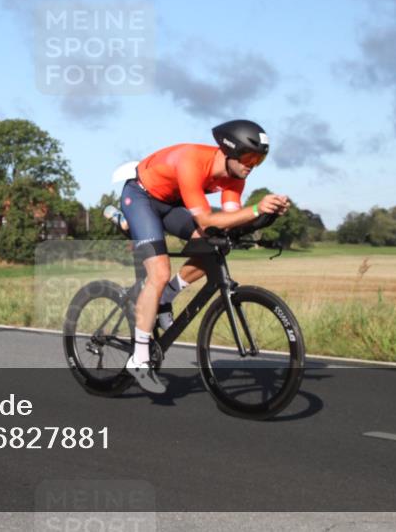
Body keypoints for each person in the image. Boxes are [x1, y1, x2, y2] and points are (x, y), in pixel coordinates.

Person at [116, 120, 290, 393]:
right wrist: (257, 209)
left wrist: (266, 217)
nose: (251, 165)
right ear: (229, 150)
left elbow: (230, 222)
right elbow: (208, 218)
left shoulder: (236, 178)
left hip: (170, 204)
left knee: (214, 244)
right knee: (159, 273)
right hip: (140, 197)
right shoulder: (192, 161)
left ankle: (167, 295)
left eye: (259, 160)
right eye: (248, 157)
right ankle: (138, 359)